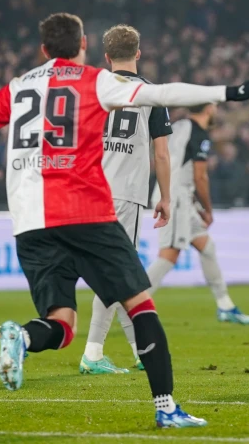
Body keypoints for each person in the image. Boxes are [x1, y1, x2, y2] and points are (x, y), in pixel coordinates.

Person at [0, 12, 249, 427]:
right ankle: (167, 407)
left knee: (61, 324)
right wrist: (230, 91)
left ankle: (21, 336)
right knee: (140, 305)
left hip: (30, 223)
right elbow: (162, 92)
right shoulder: (95, 79)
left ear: (43, 49)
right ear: (83, 46)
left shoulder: (18, 87)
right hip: (85, 211)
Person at [80, 24, 173, 375]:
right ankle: (92, 352)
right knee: (117, 272)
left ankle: (139, 351)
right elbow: (161, 155)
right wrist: (165, 197)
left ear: (106, 57)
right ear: (138, 52)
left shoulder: (91, 88)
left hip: (88, 190)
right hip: (123, 192)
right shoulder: (151, 94)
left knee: (120, 273)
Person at [144, 104, 249, 325]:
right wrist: (207, 209)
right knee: (169, 255)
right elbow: (200, 177)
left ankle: (225, 306)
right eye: (214, 105)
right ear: (208, 108)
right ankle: (134, 303)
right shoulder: (198, 133)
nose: (216, 109)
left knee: (207, 247)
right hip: (175, 199)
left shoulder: (178, 126)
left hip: (179, 196)